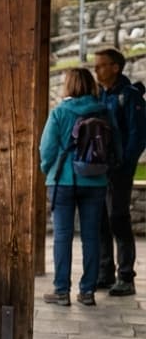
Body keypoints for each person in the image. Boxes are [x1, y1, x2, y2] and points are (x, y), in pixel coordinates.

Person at [40, 68, 118, 307]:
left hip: (63, 180)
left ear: (69, 85)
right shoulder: (104, 111)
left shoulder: (60, 112)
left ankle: (61, 291)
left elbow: (47, 149)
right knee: (91, 237)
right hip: (95, 181)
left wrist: (48, 170)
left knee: (62, 236)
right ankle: (87, 291)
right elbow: (116, 146)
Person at [92, 48, 146, 296]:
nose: (96, 69)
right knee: (102, 219)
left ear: (115, 67)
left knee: (118, 218)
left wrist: (124, 165)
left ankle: (126, 276)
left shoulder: (130, 96)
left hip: (119, 170)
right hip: (101, 168)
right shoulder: (101, 95)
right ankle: (105, 273)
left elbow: (138, 135)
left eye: (101, 65)